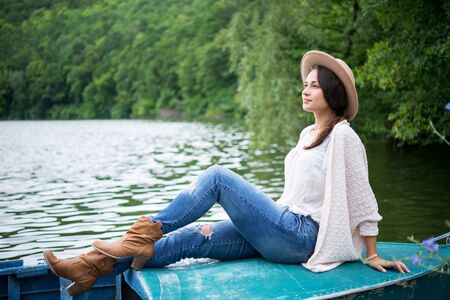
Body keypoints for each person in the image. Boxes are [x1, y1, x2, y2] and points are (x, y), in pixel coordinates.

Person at [43, 50, 410, 296]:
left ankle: (139, 234)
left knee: (218, 177)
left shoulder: (344, 135)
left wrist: (372, 254)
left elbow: (364, 199)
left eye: (315, 85)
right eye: (305, 83)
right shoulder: (307, 135)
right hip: (280, 231)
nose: (306, 89)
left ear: (332, 92)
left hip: (303, 237)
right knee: (190, 239)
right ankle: (90, 267)